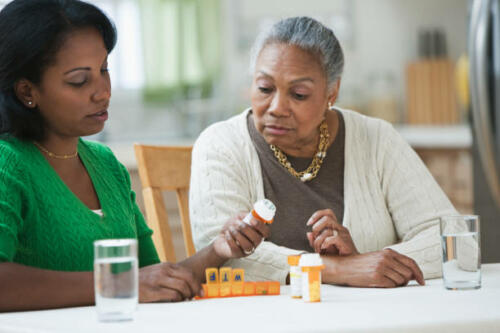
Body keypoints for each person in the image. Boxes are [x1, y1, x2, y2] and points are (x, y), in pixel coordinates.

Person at [0, 0, 268, 312]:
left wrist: (220, 250)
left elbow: (152, 279)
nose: (103, 91)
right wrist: (119, 282)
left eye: (104, 70)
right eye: (79, 80)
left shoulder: (105, 164)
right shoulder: (8, 164)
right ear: (27, 92)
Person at [190, 16, 457, 287]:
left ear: (332, 92)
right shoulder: (220, 144)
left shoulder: (377, 140)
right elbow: (222, 254)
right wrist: (340, 270)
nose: (277, 107)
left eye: (299, 94)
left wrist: (367, 261)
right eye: (265, 88)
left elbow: (456, 242)